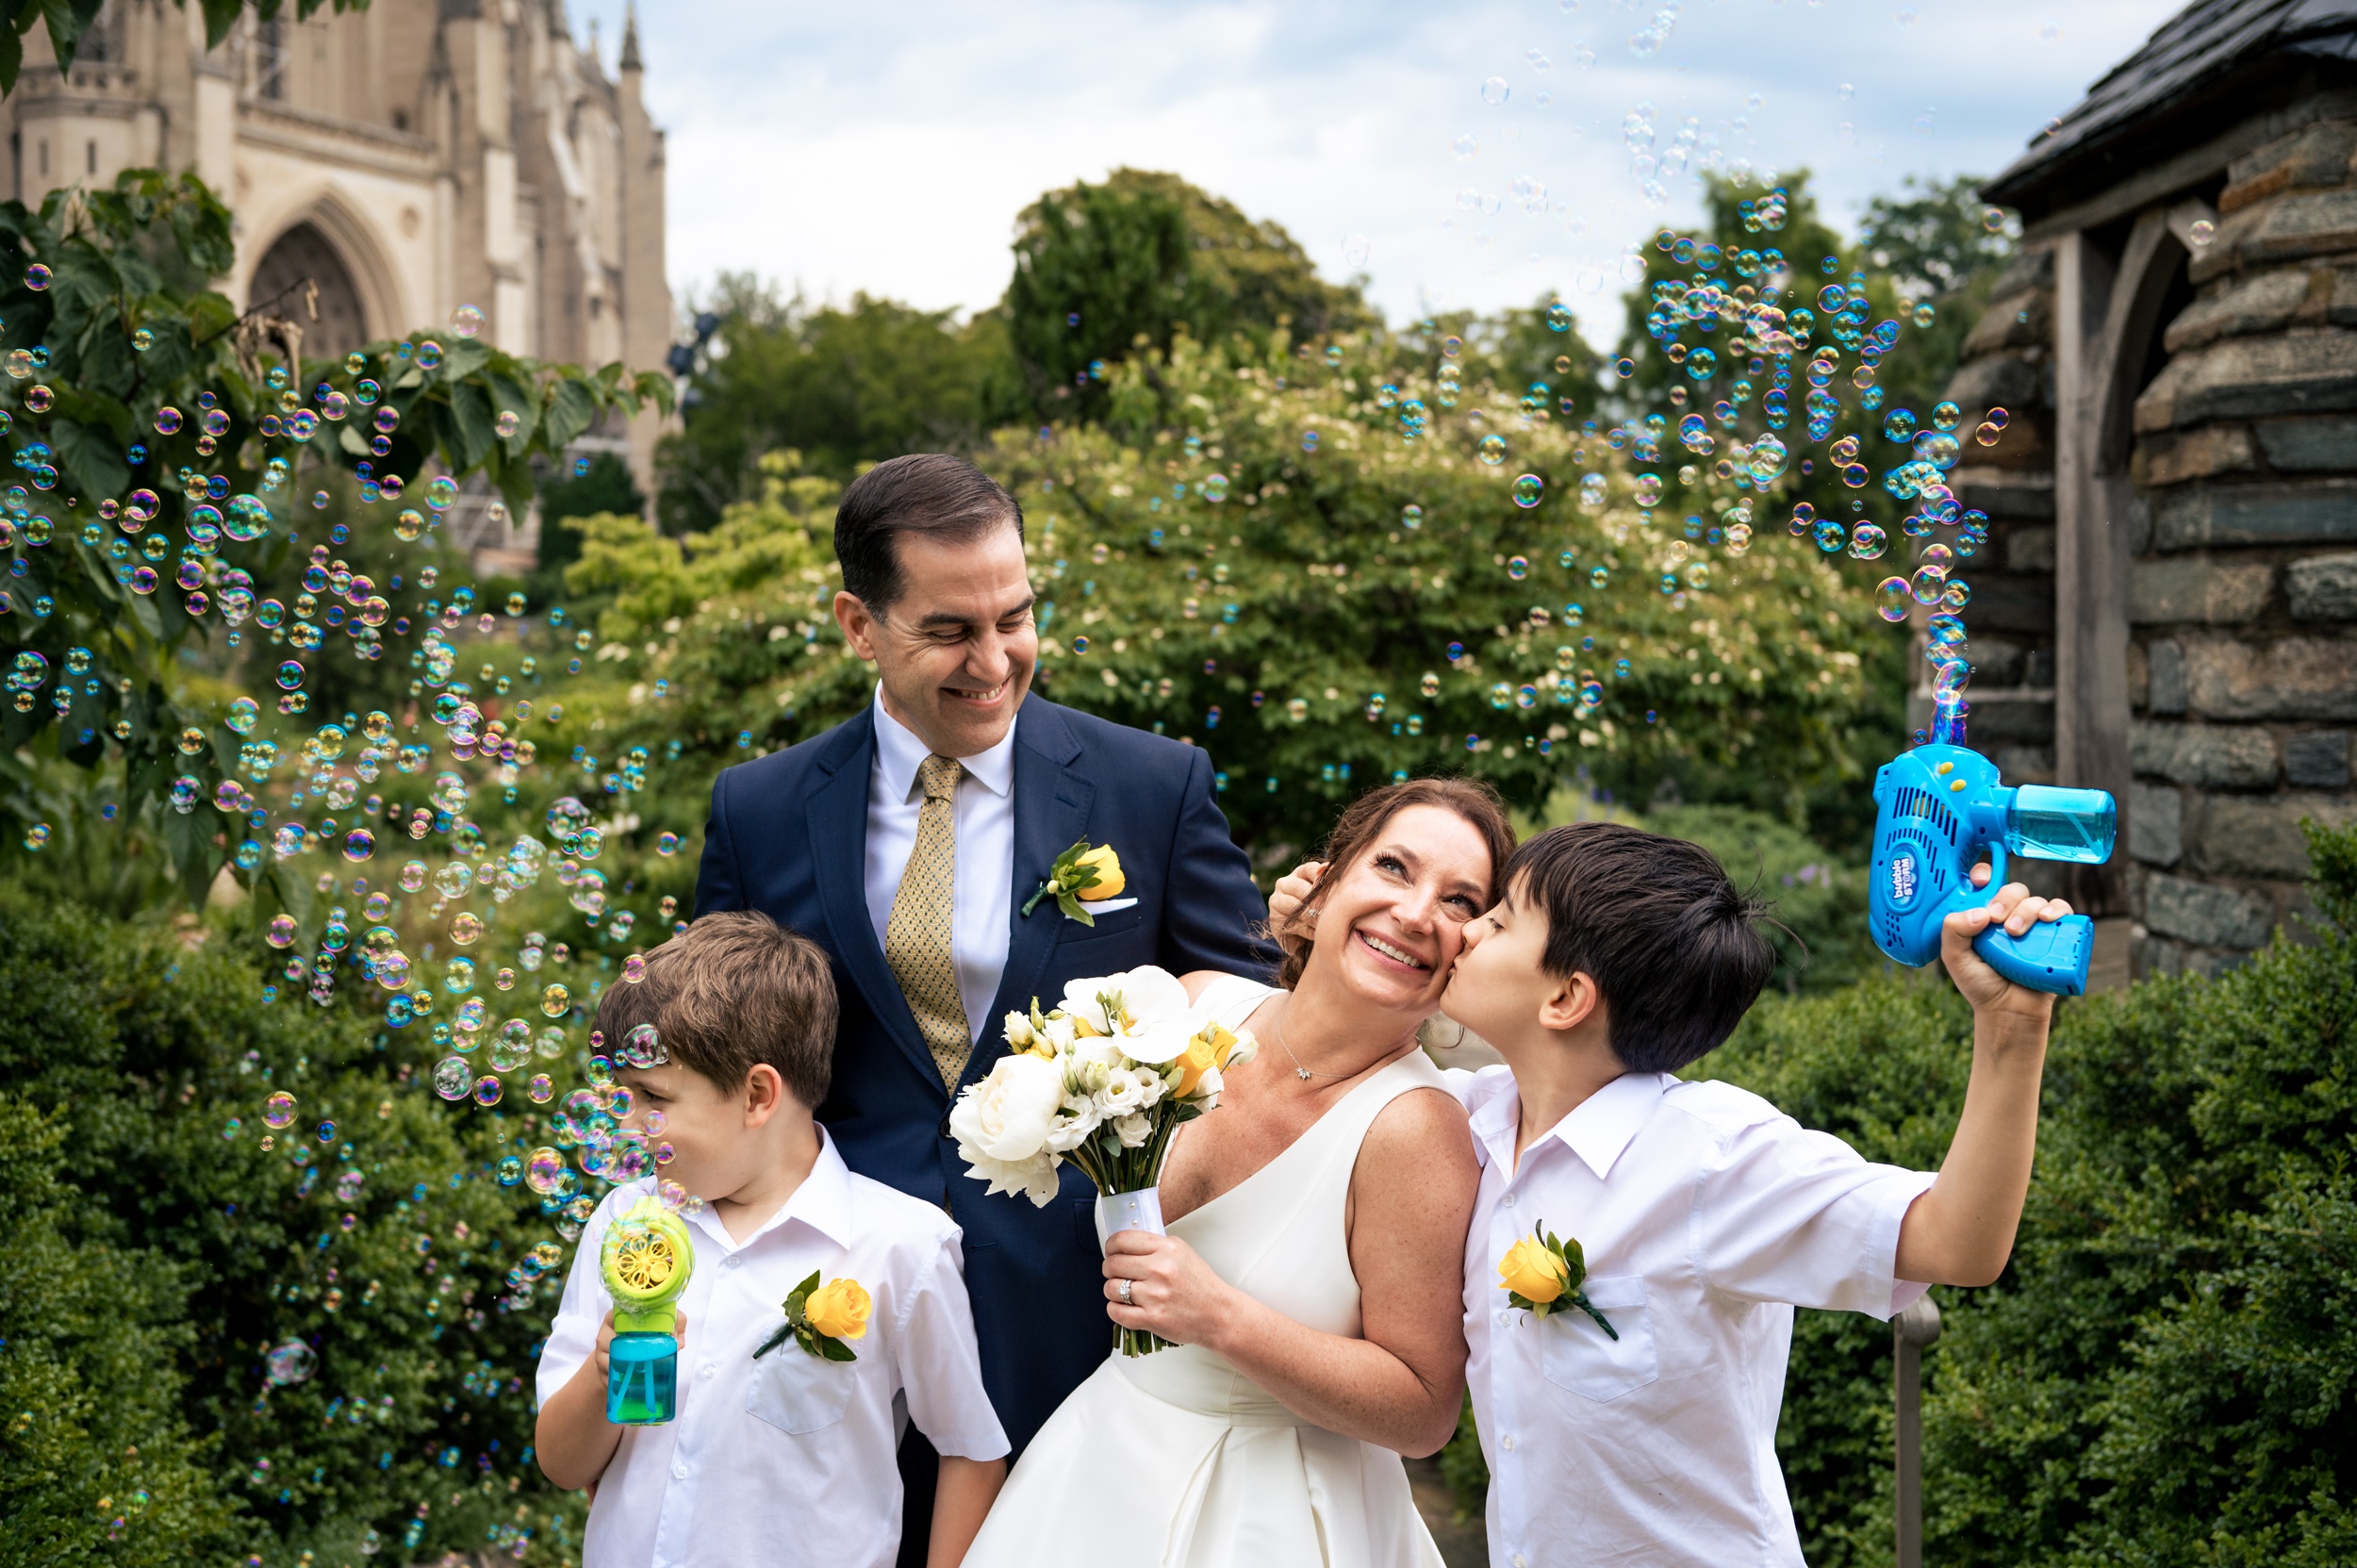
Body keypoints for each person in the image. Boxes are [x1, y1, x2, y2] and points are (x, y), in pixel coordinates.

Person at [692, 454, 1281, 1555]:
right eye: (950, 629)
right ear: (858, 625)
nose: (995, 658)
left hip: (1083, 1304)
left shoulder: (1154, 786)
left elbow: (1253, 1017)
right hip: (835, 1300)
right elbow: (716, 1062)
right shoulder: (760, 808)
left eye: (1016, 615)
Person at [1437, 820, 2073, 1568]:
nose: (1465, 930)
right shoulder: (1465, 1120)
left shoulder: (1712, 1156)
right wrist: (1309, 933)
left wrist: (2011, 1027)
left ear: (1568, 995)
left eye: (1499, 919)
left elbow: (1957, 1242)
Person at [964, 778, 1513, 1568]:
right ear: (1322, 888)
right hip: (1097, 1465)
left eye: (1461, 901)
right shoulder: (1193, 1007)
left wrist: (1217, 1313)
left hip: (1269, 1514)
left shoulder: (1416, 1129)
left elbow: (1425, 1410)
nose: (1419, 911)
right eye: (1394, 866)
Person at [534, 912, 1010, 1568]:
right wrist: (600, 1373)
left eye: (652, 1096)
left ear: (758, 1093)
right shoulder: (627, 1224)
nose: (629, 1122)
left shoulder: (901, 1244)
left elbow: (969, 1447)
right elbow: (563, 1463)